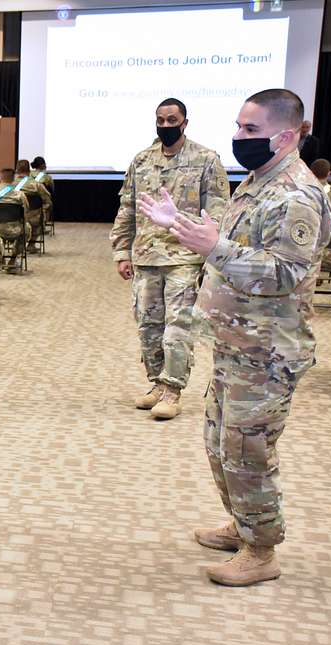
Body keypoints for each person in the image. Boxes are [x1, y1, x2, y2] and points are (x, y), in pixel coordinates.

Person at [138, 88, 331, 586]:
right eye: (239, 126)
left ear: (285, 136)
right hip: (236, 341)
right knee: (220, 442)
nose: (238, 137)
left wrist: (215, 248)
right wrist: (177, 224)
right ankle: (244, 525)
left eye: (250, 130)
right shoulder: (257, 182)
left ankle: (261, 552)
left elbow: (285, 273)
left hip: (268, 350)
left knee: (248, 452)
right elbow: (224, 239)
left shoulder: (296, 194)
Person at [111, 97, 230, 420]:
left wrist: (210, 253)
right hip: (147, 256)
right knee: (148, 326)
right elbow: (128, 208)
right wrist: (122, 251)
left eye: (171, 120)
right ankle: (158, 384)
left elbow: (218, 211)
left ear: (185, 123)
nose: (165, 125)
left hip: (185, 257)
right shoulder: (142, 160)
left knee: (177, 327)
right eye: (160, 120)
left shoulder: (206, 160)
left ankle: (173, 390)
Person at [0, 167, 30, 273]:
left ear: (0, 179)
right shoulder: (20, 196)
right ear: (13, 180)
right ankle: (12, 260)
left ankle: (0, 257)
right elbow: (25, 215)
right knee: (27, 228)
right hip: (13, 230)